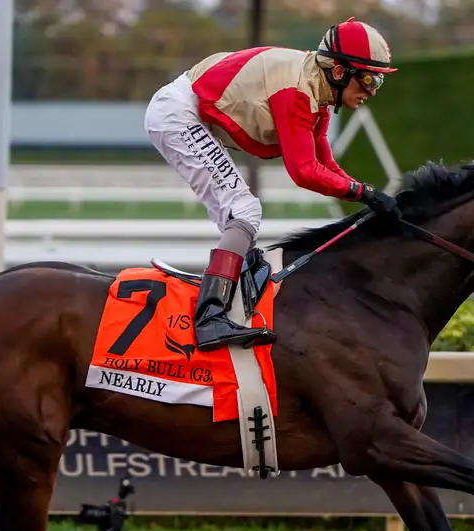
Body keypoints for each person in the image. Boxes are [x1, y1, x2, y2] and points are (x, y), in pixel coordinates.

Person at [145, 17, 401, 352]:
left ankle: (229, 300)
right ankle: (209, 318)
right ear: (340, 72)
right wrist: (364, 192)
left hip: (185, 110)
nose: (372, 90)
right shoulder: (298, 92)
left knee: (240, 220)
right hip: (179, 114)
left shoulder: (318, 91)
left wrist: (369, 195)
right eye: (369, 78)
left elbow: (326, 165)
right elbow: (304, 171)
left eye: (378, 81)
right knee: (245, 211)